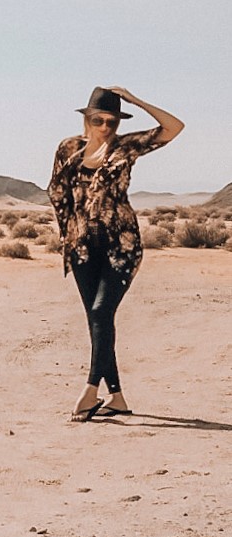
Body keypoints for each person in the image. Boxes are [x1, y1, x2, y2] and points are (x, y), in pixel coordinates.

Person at [48, 87, 184, 421]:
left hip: (121, 244)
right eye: (99, 120)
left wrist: (136, 101)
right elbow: (56, 192)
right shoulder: (68, 148)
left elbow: (174, 127)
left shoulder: (126, 147)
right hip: (81, 246)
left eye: (112, 121)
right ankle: (118, 398)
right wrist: (67, 236)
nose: (106, 127)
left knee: (99, 311)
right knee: (99, 320)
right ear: (87, 120)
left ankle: (90, 391)